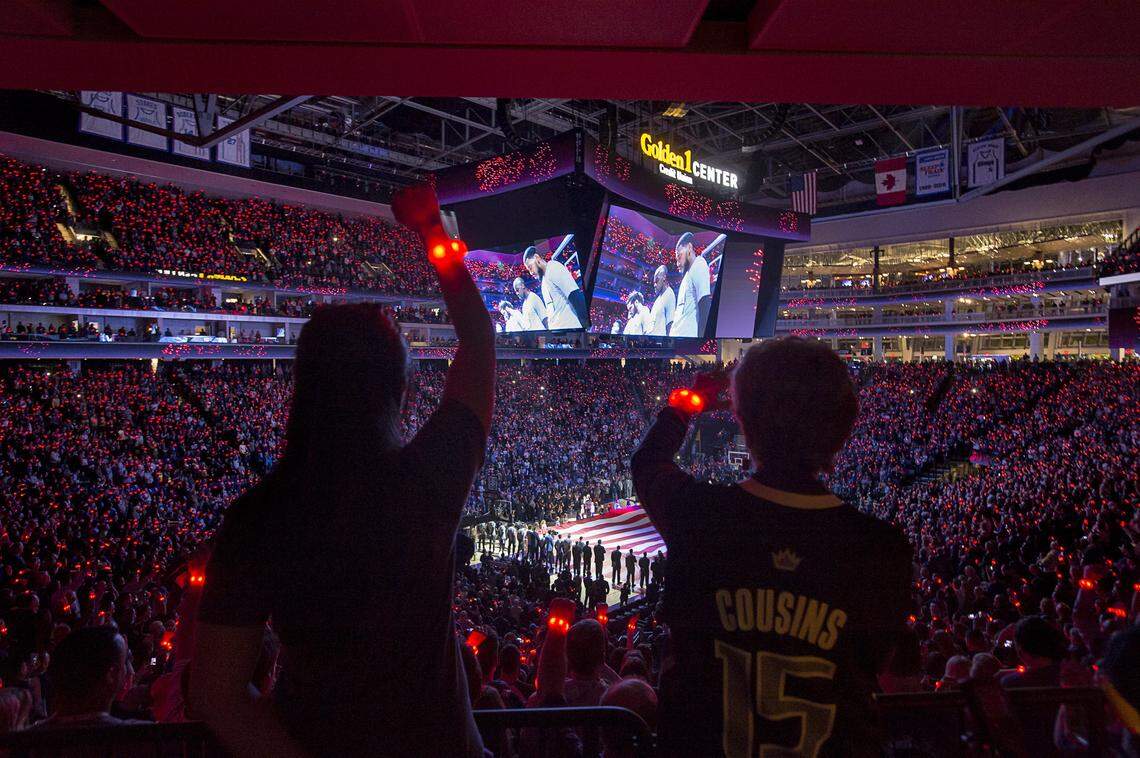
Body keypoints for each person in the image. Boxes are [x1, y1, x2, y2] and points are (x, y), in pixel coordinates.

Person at [190, 184, 496, 758]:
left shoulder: (258, 517)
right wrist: (434, 231)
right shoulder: (426, 484)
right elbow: (478, 342)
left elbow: (215, 695)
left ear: (304, 390)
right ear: (403, 395)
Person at [631, 337, 913, 757]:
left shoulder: (703, 516)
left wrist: (687, 403)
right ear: (844, 426)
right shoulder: (883, 550)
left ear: (741, 419)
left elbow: (648, 463)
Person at [35, 627, 145, 729]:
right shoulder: (143, 737)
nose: (127, 670)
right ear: (112, 674)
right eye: (124, 662)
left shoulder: (26, 741)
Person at [523, 246, 587, 330]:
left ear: (536, 257)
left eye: (530, 267)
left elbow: (574, 295)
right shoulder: (543, 282)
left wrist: (585, 326)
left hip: (570, 327)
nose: (531, 273)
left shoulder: (553, 267)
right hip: (558, 331)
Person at [667, 232, 711, 338]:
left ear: (689, 247)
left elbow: (704, 304)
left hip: (687, 339)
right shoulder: (687, 275)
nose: (677, 263)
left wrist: (701, 341)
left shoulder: (699, 264)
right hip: (677, 338)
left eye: (679, 256)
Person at [647, 265, 676, 337]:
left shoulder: (669, 294)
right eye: (653, 282)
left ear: (664, 277)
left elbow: (670, 324)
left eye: (657, 281)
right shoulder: (658, 299)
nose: (654, 285)